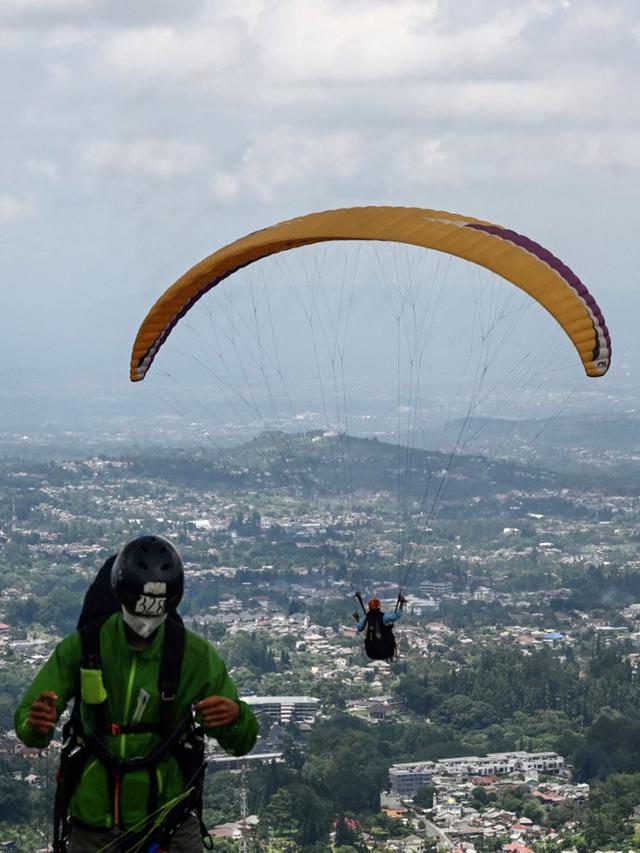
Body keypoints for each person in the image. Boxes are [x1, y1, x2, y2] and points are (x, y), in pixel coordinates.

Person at [15, 534, 259, 852]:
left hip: (169, 821)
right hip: (95, 822)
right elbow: (29, 721)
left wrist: (236, 717)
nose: (145, 622)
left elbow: (242, 742)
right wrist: (36, 725)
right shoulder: (85, 646)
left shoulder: (193, 656)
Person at [354, 595, 406, 660]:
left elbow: (359, 628)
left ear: (370, 607)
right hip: (387, 652)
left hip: (371, 653)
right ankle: (392, 656)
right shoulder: (384, 617)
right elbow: (397, 615)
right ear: (379, 607)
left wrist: (357, 619)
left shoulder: (367, 618)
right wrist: (401, 603)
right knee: (389, 632)